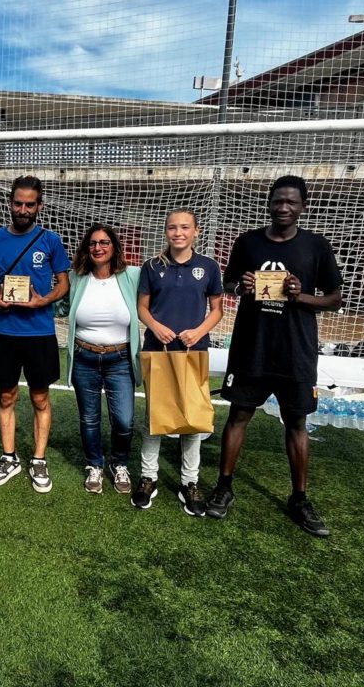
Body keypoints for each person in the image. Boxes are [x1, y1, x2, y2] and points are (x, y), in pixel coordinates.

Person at [205, 175, 342, 536]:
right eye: (278, 201)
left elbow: (335, 298)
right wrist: (242, 286)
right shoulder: (247, 241)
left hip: (296, 351)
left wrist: (301, 295)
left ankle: (299, 498)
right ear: (269, 203)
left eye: (291, 202)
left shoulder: (316, 246)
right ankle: (224, 486)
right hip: (253, 347)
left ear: (303, 206)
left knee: (296, 423)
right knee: (238, 415)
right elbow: (229, 283)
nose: (284, 207)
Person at [0, 176, 71, 493]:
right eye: (18, 203)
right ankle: (9, 457)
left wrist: (42, 299)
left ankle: (38, 459)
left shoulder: (50, 240)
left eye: (29, 204)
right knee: (6, 395)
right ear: (10, 203)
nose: (23, 209)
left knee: (40, 397)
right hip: (5, 331)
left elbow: (64, 284)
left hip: (39, 331)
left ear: (39, 206)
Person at [134, 209, 223, 514]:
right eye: (172, 227)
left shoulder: (209, 267)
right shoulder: (152, 266)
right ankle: (148, 477)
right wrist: (155, 326)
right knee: (155, 415)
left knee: (192, 417)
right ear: (166, 231)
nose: (178, 233)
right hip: (157, 351)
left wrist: (198, 331)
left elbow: (217, 311)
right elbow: (142, 308)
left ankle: (190, 482)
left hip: (193, 351)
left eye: (185, 227)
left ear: (196, 231)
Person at [62, 224, 141, 496]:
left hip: (120, 358)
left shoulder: (132, 275)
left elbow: (154, 298)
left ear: (115, 247)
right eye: (93, 243)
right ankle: (94, 464)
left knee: (124, 421)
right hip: (85, 357)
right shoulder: (76, 277)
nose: (98, 247)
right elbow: (58, 304)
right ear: (86, 248)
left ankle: (119, 463)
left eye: (104, 243)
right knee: (89, 419)